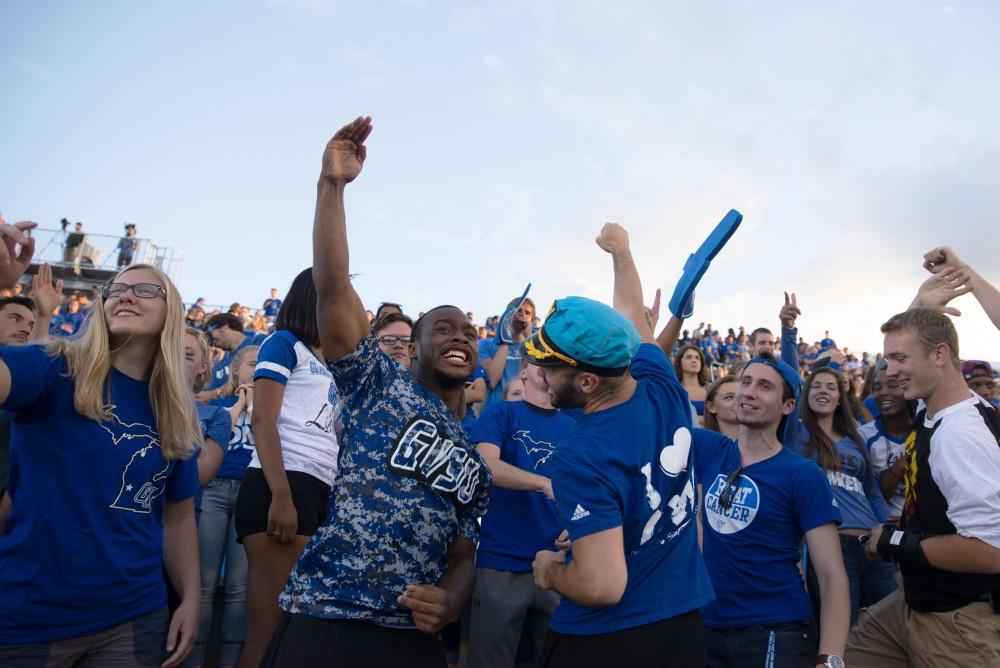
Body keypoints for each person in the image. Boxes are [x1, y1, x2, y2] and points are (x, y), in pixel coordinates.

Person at [259, 117, 489, 667]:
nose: (460, 336)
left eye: (470, 332)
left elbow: (463, 554)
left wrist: (453, 600)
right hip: (328, 618)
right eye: (444, 329)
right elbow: (333, 288)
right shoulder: (376, 385)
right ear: (410, 350)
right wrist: (331, 186)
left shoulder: (474, 463)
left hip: (412, 638)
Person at [0, 252, 201, 667]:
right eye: (116, 289)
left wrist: (191, 598)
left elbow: (178, 517)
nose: (126, 296)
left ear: (171, 314)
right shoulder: (54, 367)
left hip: (135, 614)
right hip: (32, 613)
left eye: (146, 290)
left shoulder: (175, 409)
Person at [530, 223, 712, 667]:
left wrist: (549, 572)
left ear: (588, 381)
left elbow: (601, 586)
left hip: (605, 642)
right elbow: (633, 313)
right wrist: (620, 252)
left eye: (548, 368)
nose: (538, 376)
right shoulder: (660, 383)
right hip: (684, 627)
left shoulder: (579, 454)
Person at [847, 254, 1000, 666]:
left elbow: (990, 549)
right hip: (916, 602)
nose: (890, 372)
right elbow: (912, 336)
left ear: (940, 356)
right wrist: (921, 301)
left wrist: (897, 541)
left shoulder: (959, 437)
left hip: (957, 624)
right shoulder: (932, 404)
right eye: (887, 359)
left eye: (900, 360)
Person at [693, 355, 849, 668]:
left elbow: (832, 576)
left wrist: (830, 659)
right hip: (707, 626)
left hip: (776, 629)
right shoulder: (708, 448)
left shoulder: (803, 474)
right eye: (746, 382)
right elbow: (655, 397)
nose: (748, 392)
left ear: (788, 406)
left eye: (764, 386)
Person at [234, 268, 343, 668]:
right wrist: (280, 495)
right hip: (280, 482)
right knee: (268, 633)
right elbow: (263, 420)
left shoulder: (331, 363)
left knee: (297, 636)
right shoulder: (283, 343)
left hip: (317, 488)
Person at [466, 360, 576, 668]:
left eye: (553, 362)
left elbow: (585, 485)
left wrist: (579, 523)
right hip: (503, 560)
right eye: (537, 361)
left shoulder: (573, 424)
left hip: (559, 563)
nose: (546, 366)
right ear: (523, 371)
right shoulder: (502, 413)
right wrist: (543, 483)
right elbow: (486, 464)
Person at [190, 344, 259, 668]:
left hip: (249, 492)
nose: (256, 370)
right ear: (236, 371)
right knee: (204, 581)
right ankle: (195, 656)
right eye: (251, 364)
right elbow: (218, 434)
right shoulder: (217, 404)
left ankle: (230, 660)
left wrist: (257, 406)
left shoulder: (272, 408)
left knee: (237, 584)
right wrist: (242, 402)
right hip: (215, 490)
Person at [857, 359, 914, 522]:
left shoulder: (925, 431)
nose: (883, 392)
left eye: (892, 385)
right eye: (877, 388)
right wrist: (899, 466)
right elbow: (872, 496)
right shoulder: (864, 436)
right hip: (882, 528)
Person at [479, 294, 535, 409]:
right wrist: (506, 337)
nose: (522, 314)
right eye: (518, 310)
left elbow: (533, 378)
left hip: (525, 411)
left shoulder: (535, 348)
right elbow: (492, 380)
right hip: (496, 412)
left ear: (532, 320)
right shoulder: (486, 344)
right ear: (507, 314)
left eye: (527, 313)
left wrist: (529, 337)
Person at [201, 312, 267, 396]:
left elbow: (253, 377)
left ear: (225, 326)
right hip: (212, 407)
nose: (210, 342)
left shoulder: (259, 342)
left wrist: (212, 394)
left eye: (209, 333)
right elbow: (206, 391)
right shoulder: (220, 363)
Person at [673, 343, 709, 420]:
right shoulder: (674, 391)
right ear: (680, 363)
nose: (694, 360)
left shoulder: (711, 390)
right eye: (689, 357)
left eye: (697, 358)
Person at [702, 375, 739, 439]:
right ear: (711, 407)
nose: (738, 402)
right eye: (729, 397)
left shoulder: (760, 443)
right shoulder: (700, 443)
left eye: (741, 397)